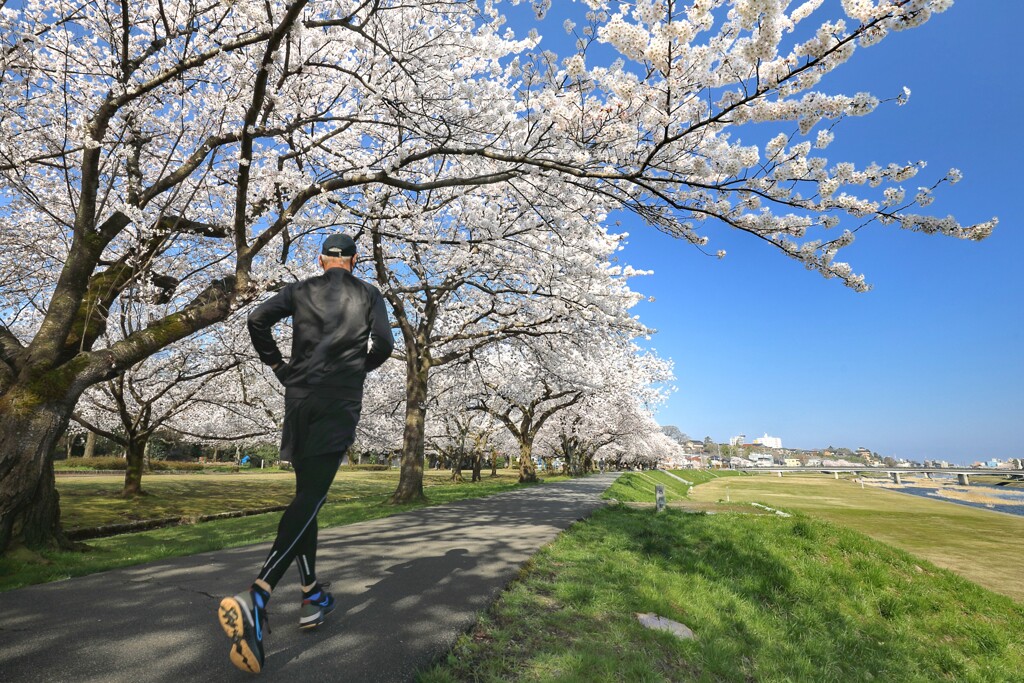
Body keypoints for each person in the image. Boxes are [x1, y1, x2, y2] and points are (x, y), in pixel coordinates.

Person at [217, 234, 394, 674]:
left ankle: (312, 595)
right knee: (312, 498)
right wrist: (356, 369)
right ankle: (258, 595)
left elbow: (257, 319)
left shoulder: (299, 289)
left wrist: (278, 365)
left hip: (298, 398)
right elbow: (385, 346)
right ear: (354, 260)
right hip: (338, 399)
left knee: (306, 499)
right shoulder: (370, 294)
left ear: (321, 260)